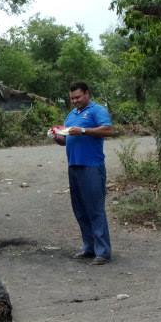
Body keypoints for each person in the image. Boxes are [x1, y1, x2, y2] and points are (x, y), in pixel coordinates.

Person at [49, 81, 113, 265]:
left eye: (78, 97)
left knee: (95, 209)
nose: (75, 101)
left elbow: (108, 130)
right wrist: (57, 136)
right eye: (72, 98)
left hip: (91, 166)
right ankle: (89, 247)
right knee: (80, 209)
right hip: (74, 166)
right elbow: (67, 140)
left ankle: (103, 252)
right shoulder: (71, 115)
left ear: (87, 94)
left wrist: (84, 130)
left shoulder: (96, 110)